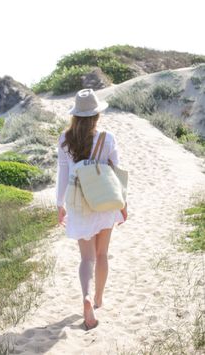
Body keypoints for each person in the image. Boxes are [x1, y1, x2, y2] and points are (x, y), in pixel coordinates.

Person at [56, 88, 128, 330]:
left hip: (78, 203)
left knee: (86, 258)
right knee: (102, 255)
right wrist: (123, 203)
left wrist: (60, 206)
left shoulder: (65, 140)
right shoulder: (107, 138)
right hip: (105, 201)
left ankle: (86, 296)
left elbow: (63, 175)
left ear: (75, 115)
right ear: (96, 115)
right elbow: (116, 173)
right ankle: (98, 299)